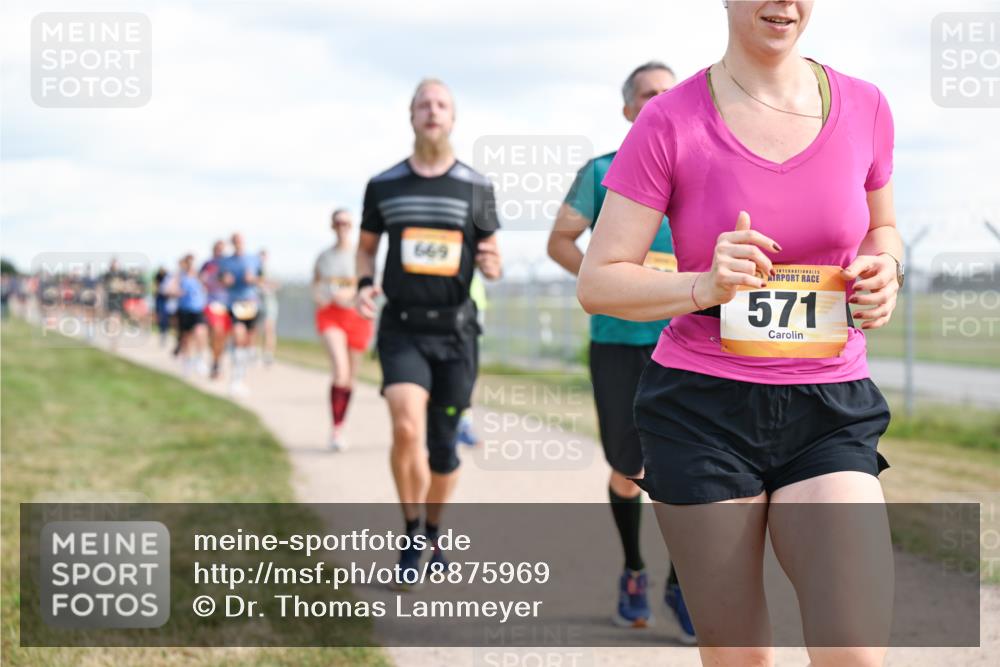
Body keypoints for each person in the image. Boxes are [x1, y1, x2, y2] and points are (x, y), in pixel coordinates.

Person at [578, 2, 900, 665]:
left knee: (855, 650)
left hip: (829, 407)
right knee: (741, 657)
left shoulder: (866, 106)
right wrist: (704, 284)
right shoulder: (669, 120)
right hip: (702, 413)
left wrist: (886, 268)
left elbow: (883, 227)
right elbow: (599, 281)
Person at [548, 61, 694, 639]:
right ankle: (634, 570)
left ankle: (682, 584)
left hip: (689, 342)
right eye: (647, 93)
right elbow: (561, 240)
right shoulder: (601, 171)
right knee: (628, 469)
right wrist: (611, 282)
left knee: (691, 471)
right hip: (618, 344)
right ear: (629, 109)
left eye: (668, 92)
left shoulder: (701, 165)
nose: (659, 99)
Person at [356, 78, 502, 588]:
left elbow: (492, 255)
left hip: (457, 333)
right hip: (402, 328)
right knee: (405, 429)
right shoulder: (384, 184)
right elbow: (366, 249)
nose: (432, 111)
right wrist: (363, 285)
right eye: (424, 104)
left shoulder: (477, 187)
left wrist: (492, 263)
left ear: (452, 117)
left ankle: (434, 531)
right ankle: (412, 532)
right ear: (411, 115)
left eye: (441, 104)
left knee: (443, 449)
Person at [313, 209, 374, 451]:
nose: (342, 227)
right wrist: (320, 297)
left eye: (347, 223)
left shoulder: (361, 255)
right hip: (331, 315)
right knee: (340, 371)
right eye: (338, 223)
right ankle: (336, 429)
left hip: (357, 316)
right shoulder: (324, 257)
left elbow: (369, 283)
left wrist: (351, 293)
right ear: (332, 226)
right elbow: (316, 282)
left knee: (350, 379)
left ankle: (342, 421)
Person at [220, 233, 262, 396]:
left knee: (247, 341)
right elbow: (221, 280)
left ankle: (241, 377)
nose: (238, 244)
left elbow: (261, 278)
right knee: (238, 335)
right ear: (232, 243)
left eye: (240, 241)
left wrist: (253, 279)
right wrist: (226, 281)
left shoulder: (254, 259)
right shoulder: (226, 262)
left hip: (251, 302)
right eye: (235, 242)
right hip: (235, 303)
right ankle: (235, 379)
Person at [167, 254, 209, 376]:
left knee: (200, 332)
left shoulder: (199, 276)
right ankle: (187, 363)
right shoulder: (179, 276)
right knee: (186, 338)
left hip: (198, 310)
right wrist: (177, 292)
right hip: (184, 310)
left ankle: (199, 359)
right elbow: (169, 289)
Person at [200, 240, 232, 379]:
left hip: (227, 304)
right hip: (212, 303)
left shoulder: (228, 265)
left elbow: (232, 282)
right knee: (216, 330)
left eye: (221, 249)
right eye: (217, 249)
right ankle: (214, 360)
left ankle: (217, 362)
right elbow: (201, 280)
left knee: (223, 337)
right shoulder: (207, 264)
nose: (219, 252)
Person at [257, 248, 280, 366]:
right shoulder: (254, 271)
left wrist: (266, 284)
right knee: (255, 329)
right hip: (256, 303)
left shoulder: (271, 271)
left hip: (269, 304)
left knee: (269, 328)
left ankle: (268, 354)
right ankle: (255, 352)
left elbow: (277, 285)